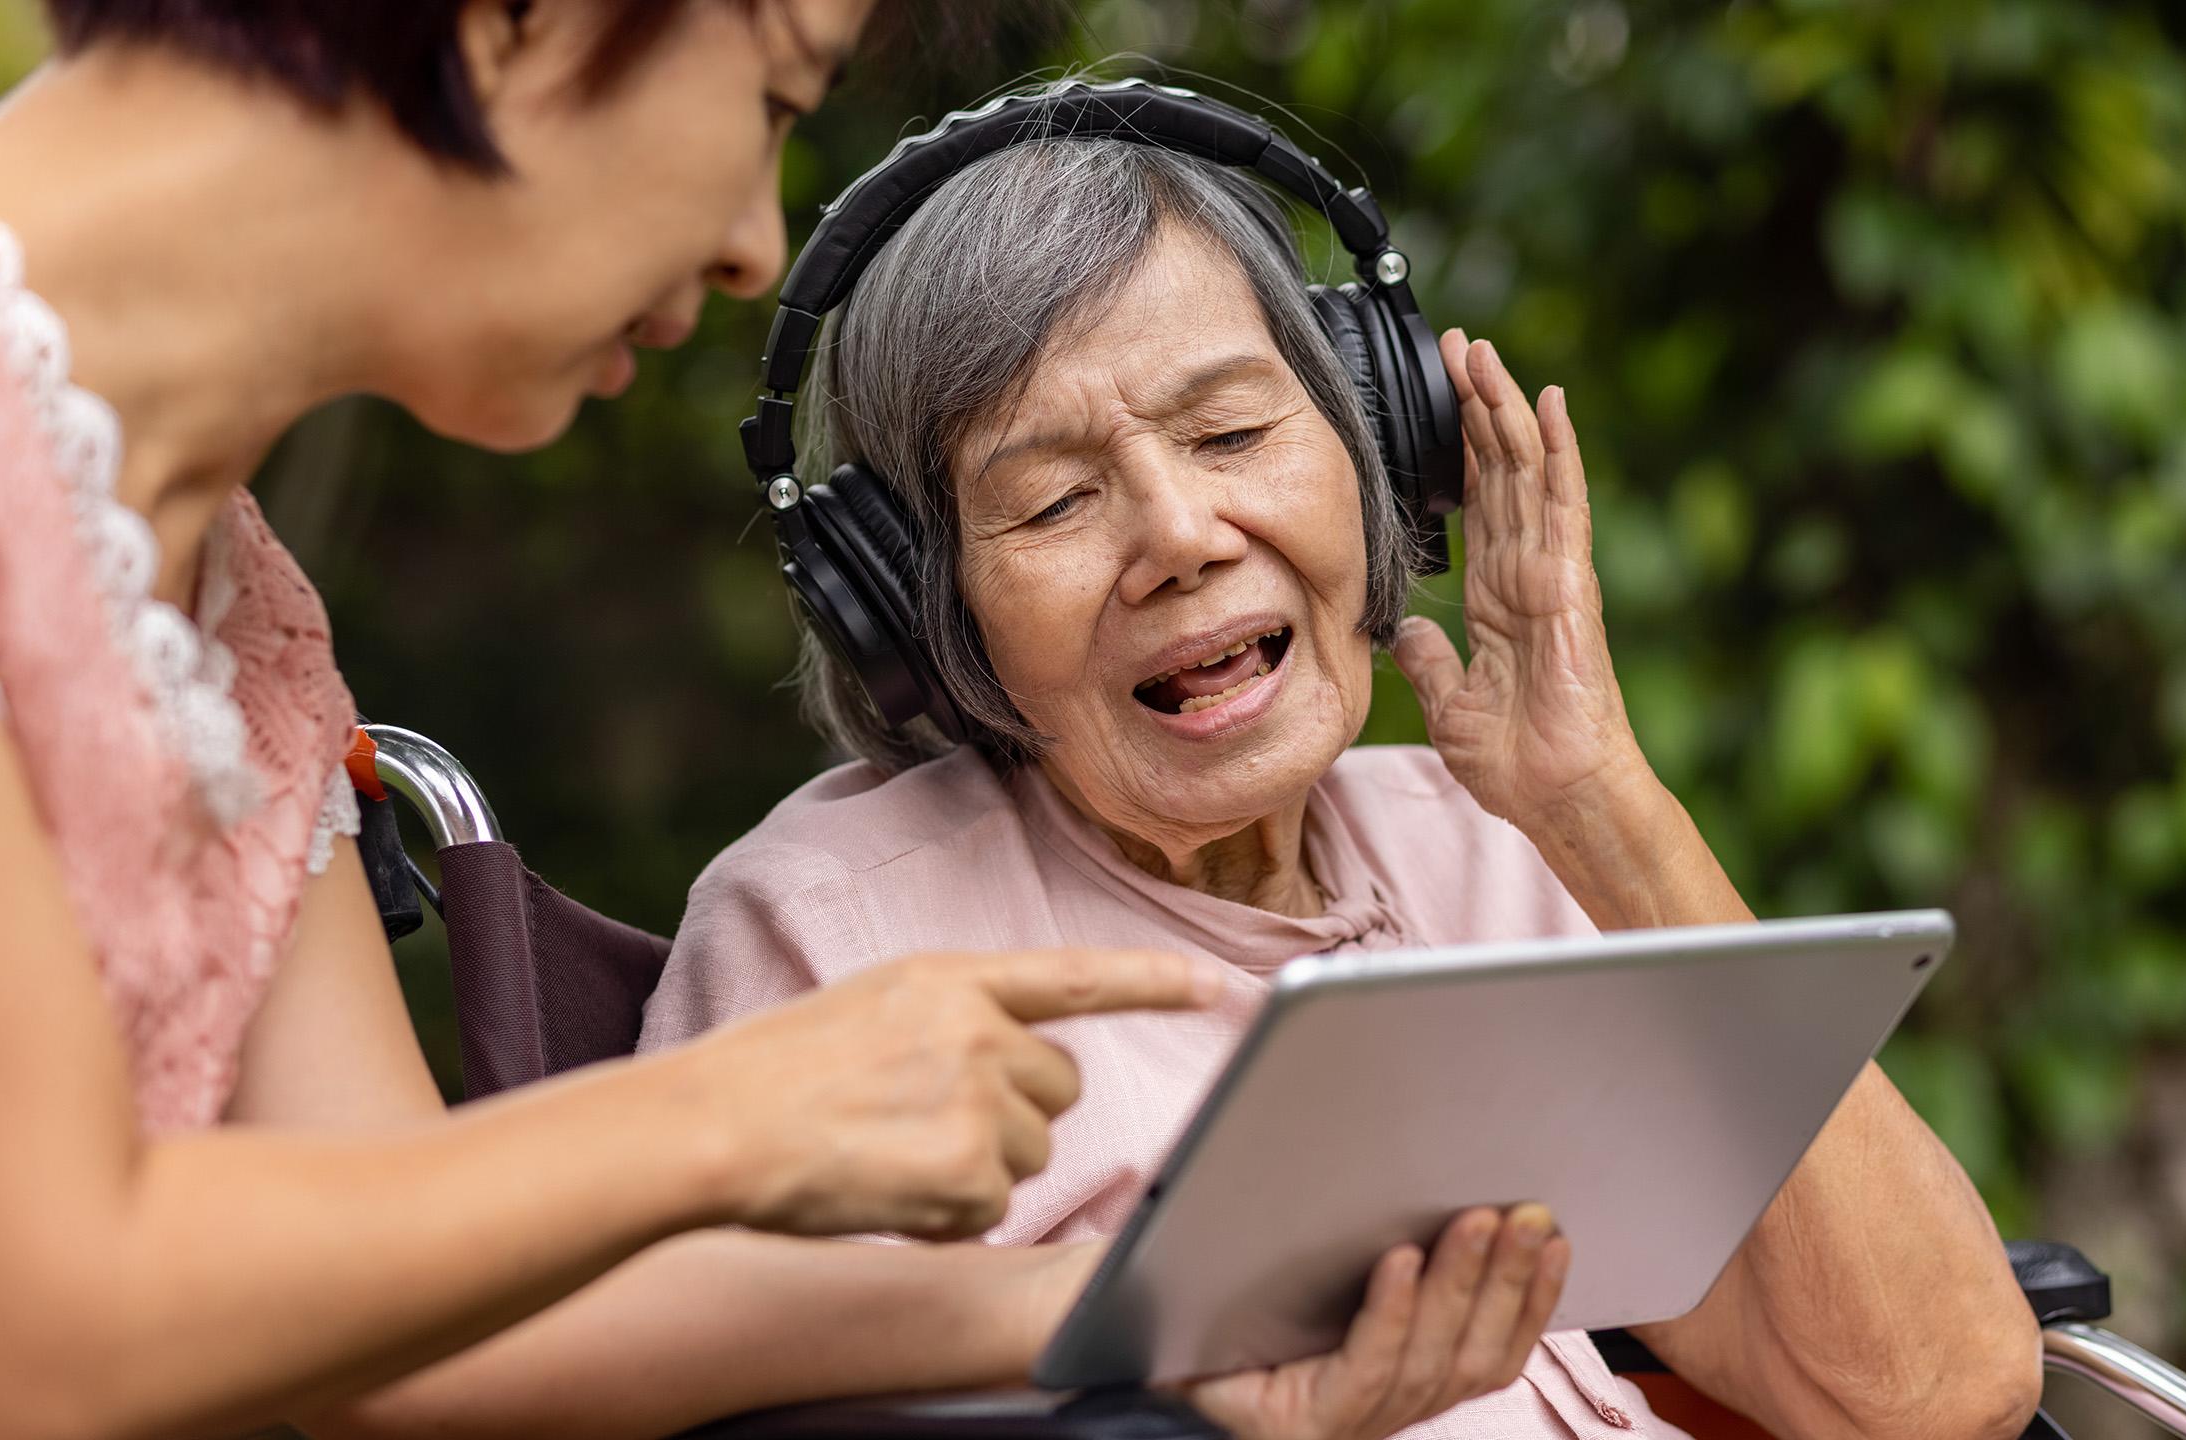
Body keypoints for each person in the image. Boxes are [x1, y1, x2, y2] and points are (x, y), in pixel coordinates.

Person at [0, 5, 1566, 1437]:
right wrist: (731, 1115)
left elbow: (413, 1358)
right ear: (517, 22)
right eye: (776, 94)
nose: (752, 250)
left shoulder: (223, 596)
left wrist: (1146, 1322)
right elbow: (21, 1336)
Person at [642, 131, 2051, 1440]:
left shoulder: (1481, 846)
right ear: (914, 609)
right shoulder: (833, 934)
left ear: (1371, 452)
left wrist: (1601, 806)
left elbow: (1933, 1393)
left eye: (1232, 434)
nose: (1182, 535)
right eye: (1057, 501)